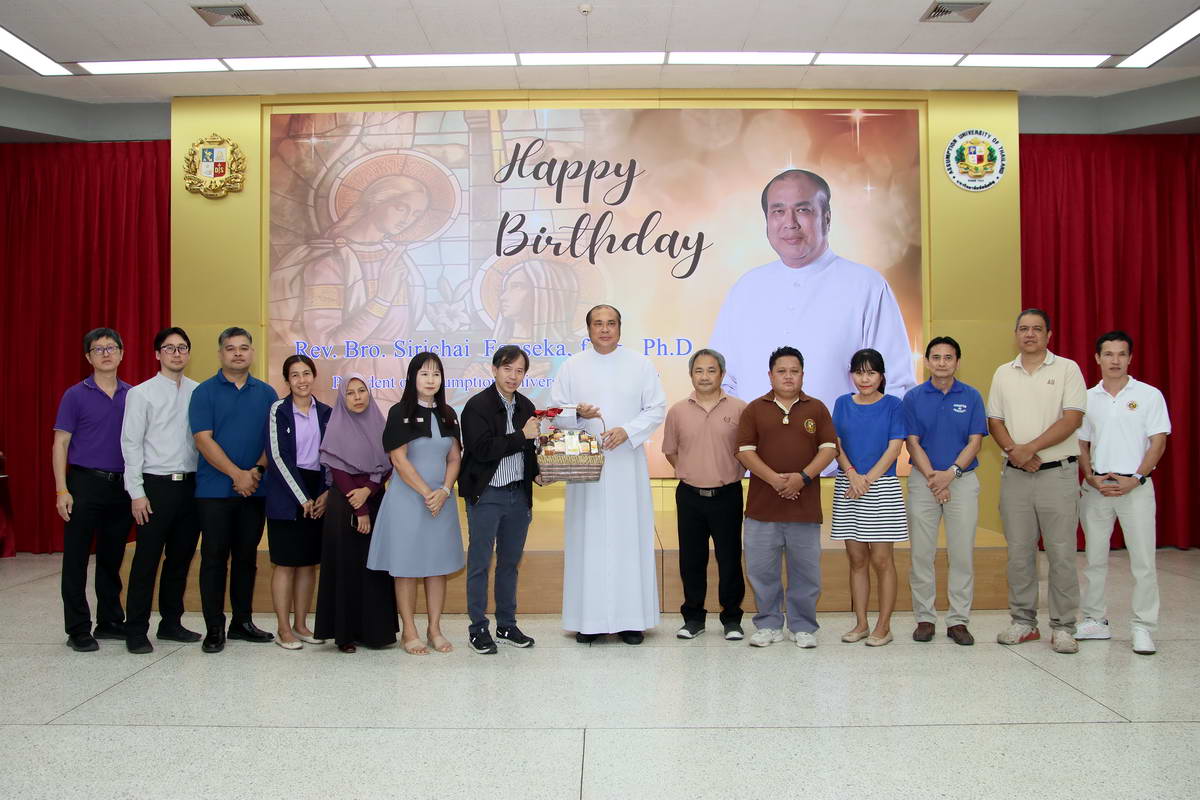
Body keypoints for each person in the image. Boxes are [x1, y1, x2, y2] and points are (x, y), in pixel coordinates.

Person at [710, 169, 916, 474]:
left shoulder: (866, 285)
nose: (790, 222)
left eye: (803, 210)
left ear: (827, 217)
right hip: (758, 473)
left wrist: (866, 465)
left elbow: (895, 384)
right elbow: (723, 381)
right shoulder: (747, 287)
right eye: (778, 211)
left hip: (846, 473)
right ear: (766, 220)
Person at [550, 304, 667, 644]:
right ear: (588, 329)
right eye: (598, 324)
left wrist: (627, 431)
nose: (604, 329)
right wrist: (578, 412)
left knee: (628, 539)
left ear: (620, 328)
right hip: (586, 467)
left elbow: (656, 407)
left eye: (611, 323)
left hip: (626, 464)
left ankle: (632, 621)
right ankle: (589, 622)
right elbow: (556, 412)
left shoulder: (640, 364)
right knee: (587, 540)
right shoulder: (572, 366)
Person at [987, 309, 1086, 655]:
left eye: (1037, 329)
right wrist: (1015, 453)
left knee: (1061, 553)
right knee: (1019, 553)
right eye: (1024, 329)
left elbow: (1072, 419)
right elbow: (995, 421)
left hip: (1057, 474)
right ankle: (1023, 622)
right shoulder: (1003, 373)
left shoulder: (1067, 369)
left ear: (1049, 335)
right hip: (1016, 475)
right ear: (1016, 334)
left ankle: (1064, 626)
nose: (1029, 334)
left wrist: (1029, 448)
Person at [736, 346, 837, 648]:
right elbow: (744, 452)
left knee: (805, 573)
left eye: (794, 371)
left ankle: (802, 626)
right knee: (761, 572)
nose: (788, 376)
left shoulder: (816, 408)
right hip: (762, 509)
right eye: (782, 371)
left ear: (803, 375)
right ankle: (768, 624)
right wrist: (776, 480)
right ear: (770, 375)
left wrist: (801, 479)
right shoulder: (754, 409)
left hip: (804, 510)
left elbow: (829, 449)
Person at [1076, 331, 1170, 656]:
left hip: (1135, 487)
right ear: (1097, 358)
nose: (1114, 360)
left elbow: (1158, 441)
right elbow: (1081, 443)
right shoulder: (1087, 398)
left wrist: (1138, 477)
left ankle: (1143, 627)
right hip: (1097, 488)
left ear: (1130, 358)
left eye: (1121, 354)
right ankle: (1095, 620)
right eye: (1108, 354)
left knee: (1143, 562)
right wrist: (1089, 476)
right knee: (1094, 559)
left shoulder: (1149, 395)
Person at [189, 327, 279, 654]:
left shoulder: (267, 393)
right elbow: (203, 440)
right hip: (214, 491)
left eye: (243, 347)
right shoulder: (204, 392)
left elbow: (273, 441)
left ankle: (242, 622)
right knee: (214, 559)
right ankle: (214, 628)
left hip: (255, 490)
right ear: (220, 354)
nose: (238, 353)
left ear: (252, 352)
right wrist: (236, 475)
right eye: (231, 348)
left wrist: (255, 472)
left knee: (246, 559)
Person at [369, 353, 464, 655]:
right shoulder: (400, 412)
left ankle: (434, 629)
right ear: (412, 378)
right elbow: (398, 460)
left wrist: (444, 491)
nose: (430, 380)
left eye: (436, 374)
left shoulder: (449, 413)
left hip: (441, 501)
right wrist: (427, 492)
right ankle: (409, 630)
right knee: (406, 567)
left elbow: (454, 458)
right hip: (409, 500)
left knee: (438, 566)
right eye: (424, 374)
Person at [119, 327, 202, 654]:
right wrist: (136, 492)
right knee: (146, 561)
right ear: (157, 354)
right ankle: (136, 630)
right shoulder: (141, 394)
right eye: (169, 348)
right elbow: (130, 444)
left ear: (189, 353)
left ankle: (171, 623)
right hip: (155, 487)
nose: (177, 353)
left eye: (182, 347)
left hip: (191, 486)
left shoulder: (198, 391)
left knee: (180, 559)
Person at [902, 336, 987, 646]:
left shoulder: (972, 396)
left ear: (957, 362)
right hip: (923, 480)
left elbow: (975, 442)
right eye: (936, 357)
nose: (941, 363)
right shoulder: (913, 397)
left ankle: (958, 621)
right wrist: (933, 478)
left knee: (961, 553)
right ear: (927, 362)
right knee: (921, 553)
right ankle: (925, 618)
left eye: (948, 357)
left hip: (961, 480)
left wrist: (950, 475)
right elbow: (912, 442)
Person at [52, 327, 133, 652]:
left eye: (111, 348)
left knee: (112, 557)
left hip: (121, 486)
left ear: (121, 354)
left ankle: (110, 621)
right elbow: (60, 443)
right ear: (88, 357)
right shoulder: (75, 395)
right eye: (98, 349)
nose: (106, 354)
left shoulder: (132, 395)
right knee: (76, 559)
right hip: (84, 483)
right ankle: (77, 629)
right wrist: (62, 490)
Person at [458, 344, 541, 655]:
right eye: (507, 369)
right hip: (487, 494)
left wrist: (536, 473)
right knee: (480, 563)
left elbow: (528, 450)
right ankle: (478, 628)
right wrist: (522, 436)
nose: (513, 376)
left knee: (510, 564)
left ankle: (506, 624)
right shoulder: (476, 406)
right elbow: (482, 450)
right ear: (494, 369)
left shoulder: (527, 406)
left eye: (519, 371)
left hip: (518, 495)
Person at [662, 348, 747, 641]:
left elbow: (747, 451)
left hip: (728, 494)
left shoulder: (740, 409)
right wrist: (692, 471)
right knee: (691, 560)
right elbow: (671, 452)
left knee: (730, 559)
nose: (705, 376)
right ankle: (693, 618)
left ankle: (732, 619)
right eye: (699, 370)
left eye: (711, 370)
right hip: (690, 496)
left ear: (722, 374)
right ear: (691, 375)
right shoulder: (677, 411)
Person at [314, 374, 399, 653]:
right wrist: (360, 507)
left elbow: (389, 463)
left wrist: (370, 489)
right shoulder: (336, 426)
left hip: (375, 499)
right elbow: (338, 471)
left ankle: (375, 632)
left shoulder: (380, 424)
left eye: (362, 391)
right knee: (347, 567)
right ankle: (345, 633)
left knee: (374, 567)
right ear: (343, 398)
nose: (357, 397)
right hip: (345, 503)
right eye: (350, 393)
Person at [832, 349, 908, 647]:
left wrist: (866, 480)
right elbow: (836, 444)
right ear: (851, 374)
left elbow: (894, 448)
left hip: (881, 486)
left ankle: (884, 626)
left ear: (881, 376)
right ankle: (861, 623)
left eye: (871, 372)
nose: (865, 379)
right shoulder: (842, 403)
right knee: (857, 559)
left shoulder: (894, 405)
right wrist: (852, 474)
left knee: (882, 559)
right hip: (848, 485)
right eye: (859, 372)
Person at [264, 354, 332, 650]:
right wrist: (302, 496)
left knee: (307, 563)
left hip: (317, 491)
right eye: (295, 375)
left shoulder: (326, 412)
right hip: (286, 491)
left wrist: (325, 493)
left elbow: (331, 456)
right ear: (287, 380)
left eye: (306, 373)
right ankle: (283, 628)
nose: (302, 380)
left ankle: (301, 624)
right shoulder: (278, 410)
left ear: (313, 376)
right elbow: (277, 456)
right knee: (285, 563)